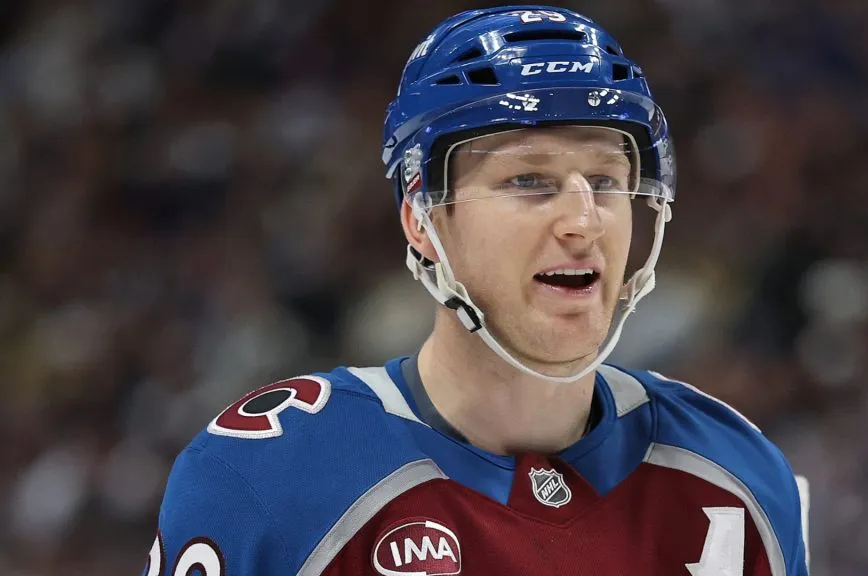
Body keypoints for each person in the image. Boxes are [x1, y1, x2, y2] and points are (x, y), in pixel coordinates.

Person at [143, 6, 810, 575]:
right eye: (528, 181)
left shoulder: (734, 472)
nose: (583, 222)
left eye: (606, 180)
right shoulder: (268, 478)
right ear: (422, 220)